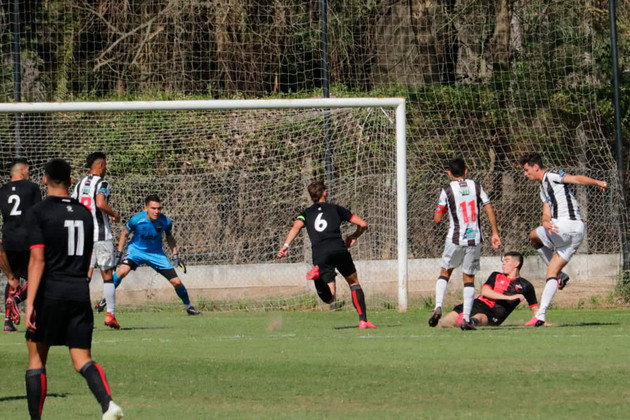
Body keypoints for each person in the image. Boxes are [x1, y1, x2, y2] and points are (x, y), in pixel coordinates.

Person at [24, 159, 123, 420]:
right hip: (79, 293)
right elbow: (87, 257)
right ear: (70, 181)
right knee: (82, 359)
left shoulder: (38, 212)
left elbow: (37, 260)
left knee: (36, 358)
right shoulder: (84, 214)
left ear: (44, 180)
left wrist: (30, 302)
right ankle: (108, 404)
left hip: (49, 293)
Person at [519, 152, 607, 326]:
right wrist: (546, 222)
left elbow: (576, 179)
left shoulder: (552, 175)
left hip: (564, 227)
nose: (525, 173)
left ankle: (559, 277)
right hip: (577, 233)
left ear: (536, 167)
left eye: (526, 170)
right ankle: (541, 315)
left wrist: (596, 182)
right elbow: (546, 212)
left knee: (532, 236)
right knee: (551, 272)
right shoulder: (542, 188)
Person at [276, 180, 376, 329]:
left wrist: (285, 246)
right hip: (338, 249)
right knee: (354, 283)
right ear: (325, 193)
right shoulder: (335, 208)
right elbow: (363, 224)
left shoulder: (306, 213)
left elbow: (296, 226)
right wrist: (354, 236)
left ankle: (317, 279)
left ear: (310, 197)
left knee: (330, 298)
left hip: (320, 254)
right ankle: (363, 321)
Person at [428, 157, 501, 330]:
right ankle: (466, 319)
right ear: (466, 171)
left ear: (449, 173)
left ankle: (438, 306)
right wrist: (495, 233)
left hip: (455, 239)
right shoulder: (476, 186)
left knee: (445, 272)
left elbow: (437, 219)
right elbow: (489, 207)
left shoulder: (447, 190)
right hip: (474, 238)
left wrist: (442, 211)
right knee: (469, 278)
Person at [111, 194, 201, 316]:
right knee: (121, 272)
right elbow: (124, 234)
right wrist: (119, 253)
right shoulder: (136, 220)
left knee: (177, 282)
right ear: (146, 208)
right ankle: (105, 298)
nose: (156, 211)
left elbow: (169, 237)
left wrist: (175, 254)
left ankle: (189, 307)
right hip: (136, 252)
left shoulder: (165, 222)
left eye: (159, 208)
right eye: (153, 208)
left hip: (156, 254)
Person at [72, 152, 122, 329]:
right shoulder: (103, 183)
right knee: (107, 276)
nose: (106, 168)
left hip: (83, 237)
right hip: (101, 236)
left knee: (84, 276)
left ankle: (80, 316)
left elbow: (73, 206)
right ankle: (110, 315)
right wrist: (114, 214)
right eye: (105, 165)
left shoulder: (79, 184)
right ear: (100, 166)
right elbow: (100, 203)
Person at [438, 252, 538, 328]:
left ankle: (469, 322)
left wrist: (540, 321)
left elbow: (536, 310)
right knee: (444, 322)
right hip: (476, 304)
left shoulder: (526, 285)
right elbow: (485, 292)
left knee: (479, 317)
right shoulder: (495, 275)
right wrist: (509, 297)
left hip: (494, 313)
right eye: (503, 261)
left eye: (507, 261)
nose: (503, 263)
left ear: (516, 263)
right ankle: (456, 321)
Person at [0, 158, 42, 332]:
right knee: (38, 278)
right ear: (23, 170)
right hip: (27, 241)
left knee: (13, 278)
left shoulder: (2, 190)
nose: (30, 172)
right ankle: (20, 304)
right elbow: (39, 213)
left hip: (8, 240)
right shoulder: (32, 188)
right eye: (28, 169)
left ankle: (8, 321)